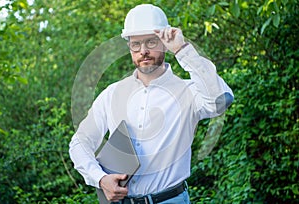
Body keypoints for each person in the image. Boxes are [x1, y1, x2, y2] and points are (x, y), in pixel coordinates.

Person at [69, 4, 233, 204]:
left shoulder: (189, 91)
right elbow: (80, 142)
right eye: (135, 44)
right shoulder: (112, 93)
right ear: (129, 46)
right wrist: (100, 178)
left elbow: (220, 101)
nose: (143, 51)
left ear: (164, 43)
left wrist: (182, 50)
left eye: (151, 42)